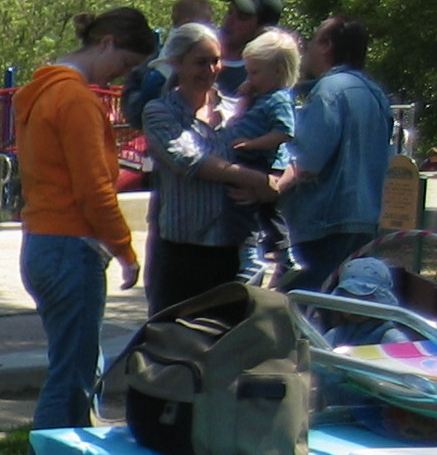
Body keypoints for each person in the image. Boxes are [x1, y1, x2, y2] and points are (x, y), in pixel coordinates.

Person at [14, 6, 159, 455]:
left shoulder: (39, 91)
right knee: (71, 375)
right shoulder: (75, 100)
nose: (120, 77)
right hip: (69, 246)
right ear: (107, 43)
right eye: (124, 64)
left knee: (78, 365)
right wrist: (125, 250)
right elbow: (96, 189)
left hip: (42, 242)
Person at [141, 22, 285, 313]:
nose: (210, 69)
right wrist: (254, 179)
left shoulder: (238, 110)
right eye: (200, 62)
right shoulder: (160, 112)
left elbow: (285, 154)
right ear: (177, 63)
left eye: (215, 60)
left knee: (232, 337)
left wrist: (270, 187)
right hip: (183, 254)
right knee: (176, 336)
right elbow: (190, 160)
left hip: (235, 250)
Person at [279, 16, 393, 293]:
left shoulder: (328, 91)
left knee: (304, 307)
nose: (307, 49)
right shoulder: (376, 94)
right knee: (344, 304)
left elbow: (306, 163)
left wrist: (269, 189)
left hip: (325, 225)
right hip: (364, 223)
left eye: (313, 40)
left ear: (327, 45)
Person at [222, 28, 299, 284]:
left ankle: (258, 258)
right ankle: (270, 257)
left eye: (255, 72)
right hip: (252, 157)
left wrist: (253, 144)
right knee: (260, 211)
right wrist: (246, 96)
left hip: (262, 161)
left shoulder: (279, 100)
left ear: (278, 71)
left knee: (246, 206)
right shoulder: (260, 97)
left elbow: (284, 132)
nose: (250, 78)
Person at [123, 0, 216, 129]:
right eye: (206, 21)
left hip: (157, 76)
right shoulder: (183, 36)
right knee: (150, 112)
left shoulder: (179, 34)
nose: (209, 26)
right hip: (158, 78)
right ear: (187, 22)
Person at [216, 0, 284, 99]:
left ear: (262, 30)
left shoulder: (259, 78)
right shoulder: (196, 50)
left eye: (242, 17)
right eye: (230, 12)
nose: (229, 20)